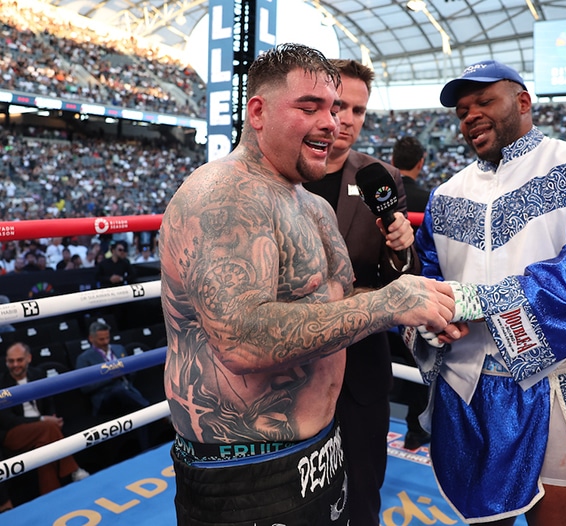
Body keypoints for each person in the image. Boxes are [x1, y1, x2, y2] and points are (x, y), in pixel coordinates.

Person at [159, 44, 453, 525]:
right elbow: (242, 339)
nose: (331, 123)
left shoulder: (309, 205)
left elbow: (337, 301)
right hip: (244, 469)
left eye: (335, 109)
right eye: (309, 107)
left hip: (322, 447)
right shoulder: (222, 196)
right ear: (258, 111)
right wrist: (386, 307)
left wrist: (414, 306)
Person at [412, 60, 566, 524]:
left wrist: (479, 301)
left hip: (563, 381)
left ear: (522, 102)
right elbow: (430, 277)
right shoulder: (445, 194)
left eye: (483, 101)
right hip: (467, 385)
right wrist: (434, 323)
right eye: (462, 110)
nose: (470, 115)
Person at [302, 57, 422, 526]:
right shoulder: (279, 174)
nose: (346, 120)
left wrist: (401, 247)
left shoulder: (380, 178)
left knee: (362, 492)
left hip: (361, 365)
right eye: (339, 106)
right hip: (288, 371)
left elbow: (402, 280)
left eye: (358, 110)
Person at [0, 342, 90, 495]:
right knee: (48, 428)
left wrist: (52, 417)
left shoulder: (38, 375)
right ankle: (73, 470)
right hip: (13, 433)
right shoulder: (2, 383)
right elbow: (8, 420)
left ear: (29, 358)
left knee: (44, 445)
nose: (15, 365)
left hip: (42, 430)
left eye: (19, 360)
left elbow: (49, 403)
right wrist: (43, 420)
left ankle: (51, 495)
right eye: (11, 361)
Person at [390, 135, 433, 451]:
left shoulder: (382, 198)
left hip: (383, 292)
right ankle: (416, 432)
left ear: (392, 161)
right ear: (421, 162)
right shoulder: (429, 199)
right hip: (417, 294)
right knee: (420, 361)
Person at [75, 321, 150, 417]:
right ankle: (151, 410)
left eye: (107, 338)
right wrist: (111, 376)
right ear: (91, 338)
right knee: (119, 392)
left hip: (128, 388)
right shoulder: (84, 358)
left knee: (135, 411)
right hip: (104, 397)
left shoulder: (119, 349)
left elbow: (132, 371)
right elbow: (85, 387)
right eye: (101, 339)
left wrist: (126, 371)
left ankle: (147, 413)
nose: (106, 342)